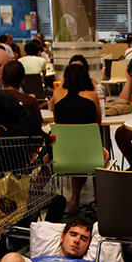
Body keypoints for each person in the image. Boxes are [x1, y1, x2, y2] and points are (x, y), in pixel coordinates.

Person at [51, 64, 102, 214]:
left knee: (75, 149)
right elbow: (97, 122)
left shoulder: (57, 95)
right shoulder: (92, 96)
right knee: (93, 147)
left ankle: (75, 199)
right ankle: (98, 197)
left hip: (63, 156)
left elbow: (56, 121)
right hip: (92, 156)